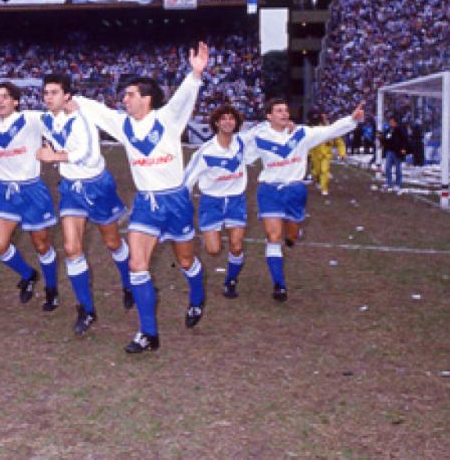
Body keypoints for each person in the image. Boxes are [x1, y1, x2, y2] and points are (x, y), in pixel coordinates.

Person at [73, 42, 210, 354]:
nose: (125, 99)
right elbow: (96, 111)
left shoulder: (168, 119)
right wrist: (70, 96)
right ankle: (148, 333)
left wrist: (196, 73)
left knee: (186, 260)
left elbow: (185, 97)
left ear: (147, 98)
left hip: (175, 201)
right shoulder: (122, 124)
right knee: (137, 264)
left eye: (131, 94)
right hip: (146, 205)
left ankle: (197, 296)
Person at [37, 73, 131, 335]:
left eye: (54, 92)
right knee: (70, 247)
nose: (48, 97)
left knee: (112, 242)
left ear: (67, 95)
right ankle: (86, 309)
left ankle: (128, 283)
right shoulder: (46, 119)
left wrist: (54, 156)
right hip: (71, 189)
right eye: (46, 92)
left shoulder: (82, 117)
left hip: (98, 185)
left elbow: (88, 156)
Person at [251, 98, 363, 302]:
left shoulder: (302, 133)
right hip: (269, 190)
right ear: (269, 116)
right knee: (273, 236)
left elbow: (329, 131)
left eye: (286, 110)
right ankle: (279, 285)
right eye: (279, 111)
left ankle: (295, 233)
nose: (284, 114)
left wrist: (351, 120)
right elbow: (239, 153)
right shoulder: (258, 137)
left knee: (291, 236)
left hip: (294, 190)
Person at [0, 81, 60, 312]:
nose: (0, 100)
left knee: (42, 245)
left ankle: (52, 289)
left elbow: (59, 120)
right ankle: (28, 274)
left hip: (32, 189)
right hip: (5, 190)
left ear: (16, 102)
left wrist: (53, 149)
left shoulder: (32, 119)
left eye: (5, 96)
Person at [184, 104, 253, 299]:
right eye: (224, 118)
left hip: (235, 200)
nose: (228, 121)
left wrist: (289, 126)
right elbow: (188, 178)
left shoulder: (241, 142)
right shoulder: (205, 152)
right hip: (211, 202)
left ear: (236, 123)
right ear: (216, 123)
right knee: (213, 250)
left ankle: (230, 280)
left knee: (237, 245)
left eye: (231, 118)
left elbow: (264, 131)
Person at [308, 112, 346, 196]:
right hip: (315, 154)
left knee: (324, 170)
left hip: (326, 155)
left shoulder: (332, 129)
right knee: (316, 171)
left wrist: (342, 153)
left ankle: (324, 189)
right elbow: (308, 141)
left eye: (325, 117)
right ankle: (317, 179)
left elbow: (340, 143)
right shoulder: (314, 128)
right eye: (322, 117)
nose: (324, 118)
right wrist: (307, 153)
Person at [380, 115, 409, 190]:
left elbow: (405, 140)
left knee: (398, 169)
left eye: (392, 122)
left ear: (396, 122)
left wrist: (404, 148)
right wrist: (381, 138)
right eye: (390, 122)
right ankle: (388, 183)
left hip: (398, 152)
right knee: (387, 168)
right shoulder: (389, 130)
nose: (390, 123)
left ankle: (398, 184)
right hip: (389, 151)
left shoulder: (401, 130)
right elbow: (386, 140)